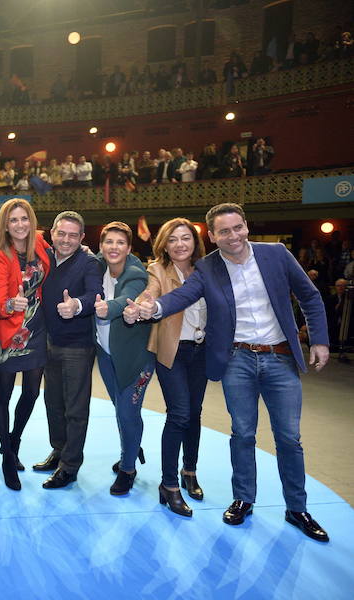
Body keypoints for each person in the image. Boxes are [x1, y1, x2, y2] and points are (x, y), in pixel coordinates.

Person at [136, 203, 331, 542]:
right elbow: (183, 296)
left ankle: (297, 508)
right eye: (224, 231)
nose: (233, 236)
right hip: (237, 359)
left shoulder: (276, 254)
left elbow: (310, 297)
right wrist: (154, 307)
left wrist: (320, 341)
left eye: (237, 228)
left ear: (246, 226)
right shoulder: (208, 267)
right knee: (242, 433)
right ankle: (243, 499)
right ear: (212, 236)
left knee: (288, 438)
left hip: (280, 357)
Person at [124, 218, 207, 517]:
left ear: (195, 242)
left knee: (194, 413)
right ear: (164, 244)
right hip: (173, 352)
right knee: (180, 413)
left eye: (186, 238)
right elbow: (150, 293)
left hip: (202, 351)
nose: (180, 244)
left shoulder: (207, 270)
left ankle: (190, 471)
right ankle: (169, 485)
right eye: (173, 239)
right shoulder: (157, 270)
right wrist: (141, 306)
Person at [35, 211, 103, 490]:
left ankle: (70, 466)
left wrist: (76, 305)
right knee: (53, 403)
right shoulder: (44, 258)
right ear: (51, 233)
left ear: (82, 238)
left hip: (77, 345)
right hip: (48, 342)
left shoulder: (89, 262)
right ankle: (59, 450)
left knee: (75, 408)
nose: (66, 240)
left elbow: (94, 294)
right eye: (61, 233)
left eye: (73, 235)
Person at [0, 198, 50, 490]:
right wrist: (11, 303)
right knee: (4, 393)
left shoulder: (40, 243)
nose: (20, 224)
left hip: (37, 328)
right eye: (13, 220)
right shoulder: (0, 256)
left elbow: (60, 258)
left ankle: (13, 443)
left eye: (24, 218)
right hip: (10, 330)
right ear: (6, 225)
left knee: (31, 394)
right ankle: (7, 457)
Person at [94, 221, 155, 496]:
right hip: (106, 355)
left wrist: (108, 307)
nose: (114, 247)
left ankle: (128, 469)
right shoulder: (97, 265)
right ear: (101, 246)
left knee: (128, 412)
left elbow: (127, 299)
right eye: (109, 242)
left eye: (120, 242)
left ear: (129, 248)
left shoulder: (135, 273)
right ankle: (129, 450)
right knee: (121, 410)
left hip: (136, 358)